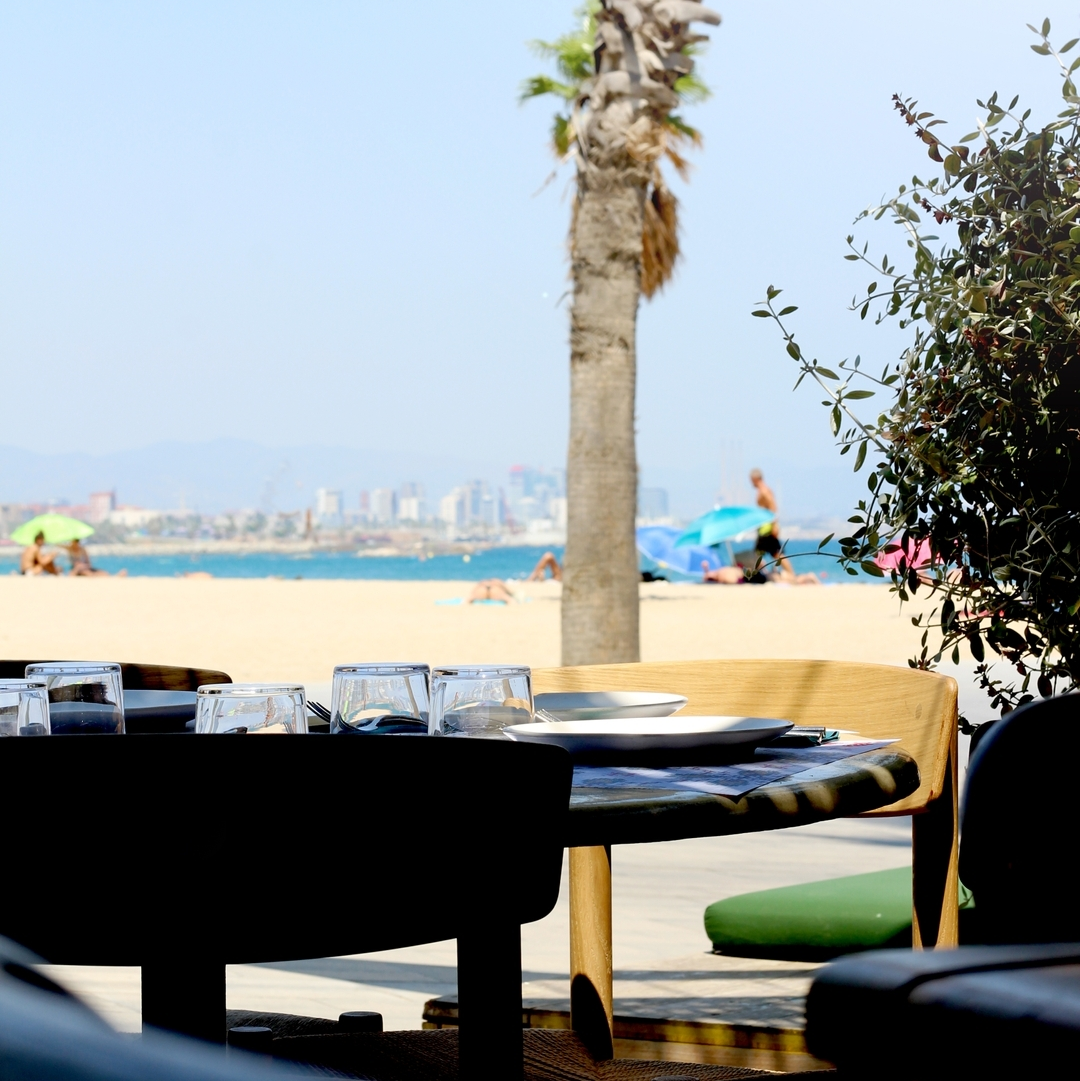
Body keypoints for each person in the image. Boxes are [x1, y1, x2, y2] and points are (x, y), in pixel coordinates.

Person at [749, 468, 796, 576]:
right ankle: (764, 574)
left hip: (767, 528)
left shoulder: (764, 491)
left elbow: (773, 507)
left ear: (755, 479)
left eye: (751, 480)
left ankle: (787, 574)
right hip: (764, 527)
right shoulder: (762, 490)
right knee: (772, 553)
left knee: (773, 553)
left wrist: (774, 525)